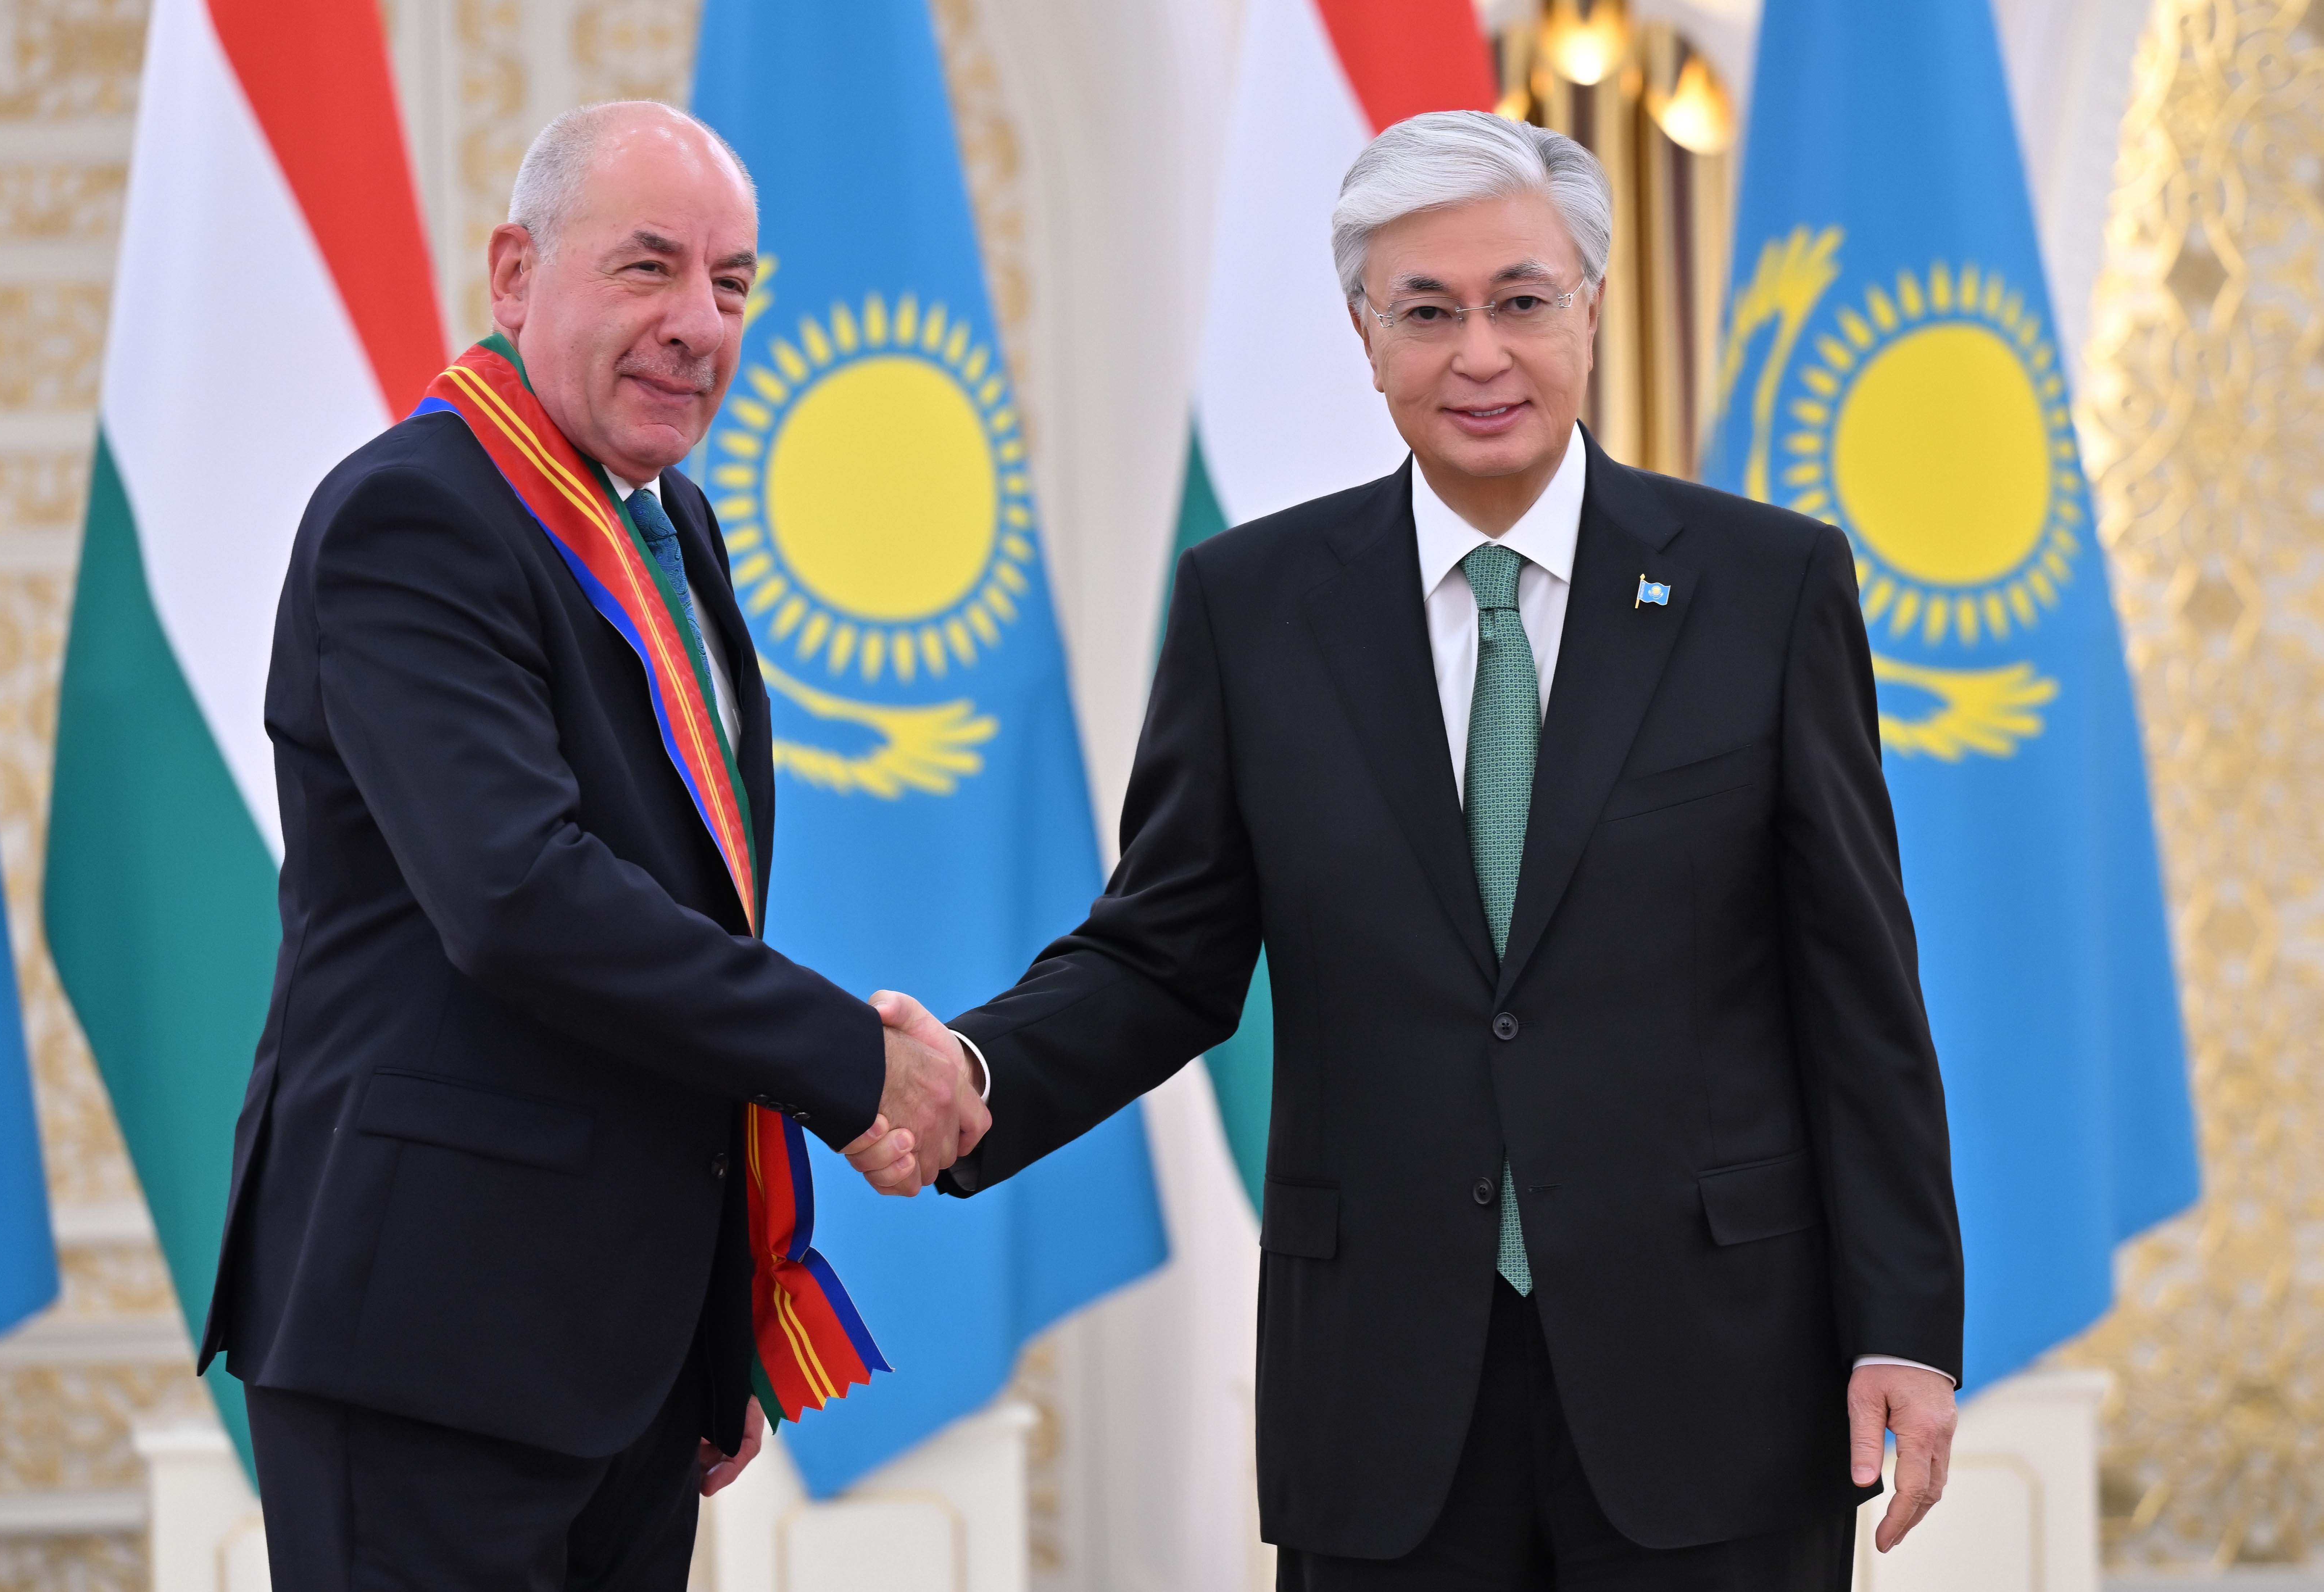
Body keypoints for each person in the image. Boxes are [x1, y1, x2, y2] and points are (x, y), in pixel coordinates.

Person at [855, 111, 1964, 1589]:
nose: (1479, 354)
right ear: (1365, 339)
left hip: (1716, 1375)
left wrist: (1905, 1323)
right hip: (1382, 1397)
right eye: (1427, 313)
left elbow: (1858, 989)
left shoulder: (1766, 586)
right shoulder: (1254, 606)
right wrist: (974, 1075)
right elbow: (1163, 954)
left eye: (1521, 301)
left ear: (1589, 309)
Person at [197, 101, 982, 1590]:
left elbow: (692, 905)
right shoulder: (414, 514)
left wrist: (710, 1326)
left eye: (732, 284)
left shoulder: (672, 521)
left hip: (625, 1355)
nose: (699, 324)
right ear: (515, 273)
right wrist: (852, 1058)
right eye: (648, 267)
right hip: (429, 1344)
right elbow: (521, 896)